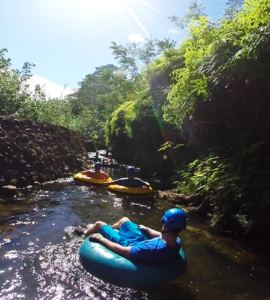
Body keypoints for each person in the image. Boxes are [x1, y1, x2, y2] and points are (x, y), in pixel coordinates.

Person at [75, 208, 187, 265]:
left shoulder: (149, 249)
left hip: (128, 244)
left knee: (99, 224)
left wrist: (101, 239)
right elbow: (160, 235)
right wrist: (145, 228)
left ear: (164, 225)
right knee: (124, 220)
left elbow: (122, 250)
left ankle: (85, 233)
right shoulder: (177, 242)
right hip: (141, 240)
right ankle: (112, 229)